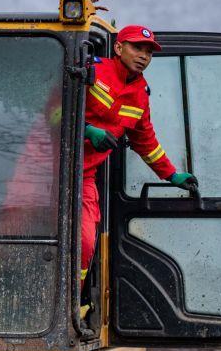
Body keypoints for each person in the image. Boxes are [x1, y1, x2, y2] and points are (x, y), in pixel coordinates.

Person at [81, 24, 198, 278]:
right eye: (137, 48)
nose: (144, 56)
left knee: (85, 242)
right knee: (13, 224)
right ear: (118, 48)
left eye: (149, 52)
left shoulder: (140, 95)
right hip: (43, 164)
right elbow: (53, 110)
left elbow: (145, 141)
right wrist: (86, 130)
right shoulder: (92, 69)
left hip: (84, 174)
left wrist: (172, 175)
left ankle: (69, 299)